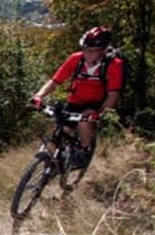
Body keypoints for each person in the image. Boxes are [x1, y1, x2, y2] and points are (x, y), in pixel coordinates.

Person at [29, 26, 124, 169]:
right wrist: (39, 95)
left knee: (84, 122)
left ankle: (84, 151)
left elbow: (113, 94)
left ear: (103, 50)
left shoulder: (114, 65)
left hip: (97, 103)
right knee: (61, 131)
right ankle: (52, 167)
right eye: (85, 49)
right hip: (75, 100)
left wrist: (100, 113)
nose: (87, 53)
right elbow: (55, 82)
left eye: (92, 50)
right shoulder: (76, 59)